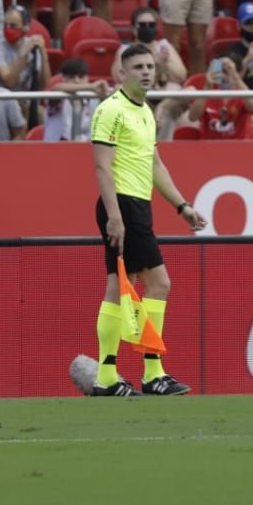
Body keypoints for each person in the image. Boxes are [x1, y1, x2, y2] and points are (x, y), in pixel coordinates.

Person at [82, 42, 207, 396]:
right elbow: (101, 166)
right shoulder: (111, 110)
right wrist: (115, 216)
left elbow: (154, 165)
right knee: (159, 285)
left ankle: (108, 376)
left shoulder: (146, 113)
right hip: (122, 205)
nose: (146, 72)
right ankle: (151, 373)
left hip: (136, 205)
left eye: (150, 66)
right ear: (122, 72)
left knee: (119, 287)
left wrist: (182, 207)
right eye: (138, 67)